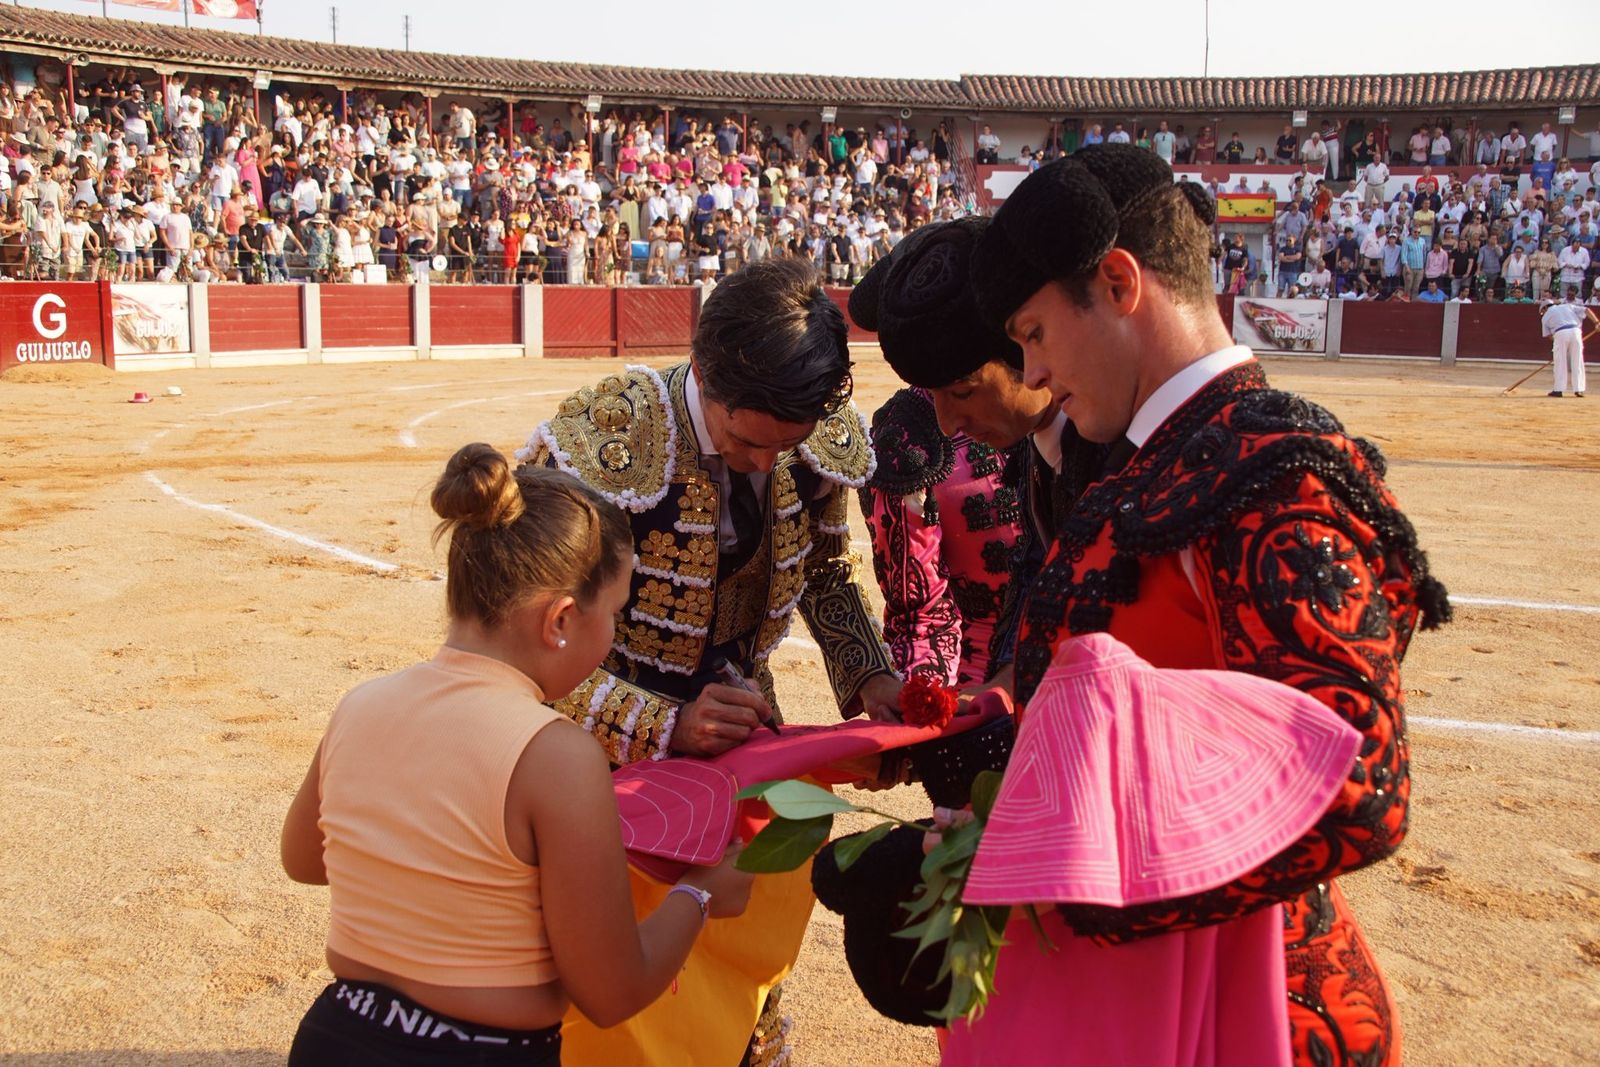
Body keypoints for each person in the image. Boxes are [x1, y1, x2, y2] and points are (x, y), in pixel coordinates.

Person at [969, 144, 1451, 1067]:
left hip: (1260, 1013)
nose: (1030, 373)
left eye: (1034, 332)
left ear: (1118, 283)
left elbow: (1362, 791)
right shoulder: (1166, 457)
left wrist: (1063, 894)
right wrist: (976, 860)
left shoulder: (1270, 471)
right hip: (1169, 1005)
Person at [515, 257, 902, 1066]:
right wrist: (663, 721)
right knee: (594, 962)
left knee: (743, 933)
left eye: (786, 446)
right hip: (603, 746)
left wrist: (869, 674)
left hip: (739, 727)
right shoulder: (603, 442)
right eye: (744, 440)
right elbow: (526, 643)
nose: (767, 464)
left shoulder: (808, 437)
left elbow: (826, 571)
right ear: (705, 377)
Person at [281, 448, 754, 1064]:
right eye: (612, 613)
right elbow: (613, 993)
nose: (611, 634)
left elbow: (306, 860)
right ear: (560, 619)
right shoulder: (554, 754)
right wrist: (703, 891)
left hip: (336, 1036)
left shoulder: (361, 704)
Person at [846, 219, 1042, 688]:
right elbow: (922, 615)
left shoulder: (1085, 407)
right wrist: (932, 703)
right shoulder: (909, 436)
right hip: (973, 688)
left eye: (962, 391)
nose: (948, 418)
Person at [1541, 295, 1596, 397]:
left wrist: (1560, 344)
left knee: (1560, 362)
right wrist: (1597, 322)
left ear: (1545, 308)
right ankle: (1579, 389)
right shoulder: (1567, 306)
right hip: (1576, 331)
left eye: (1542, 311)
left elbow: (1548, 335)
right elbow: (1587, 310)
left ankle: (1558, 389)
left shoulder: (1545, 316)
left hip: (1560, 333)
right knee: (1577, 360)